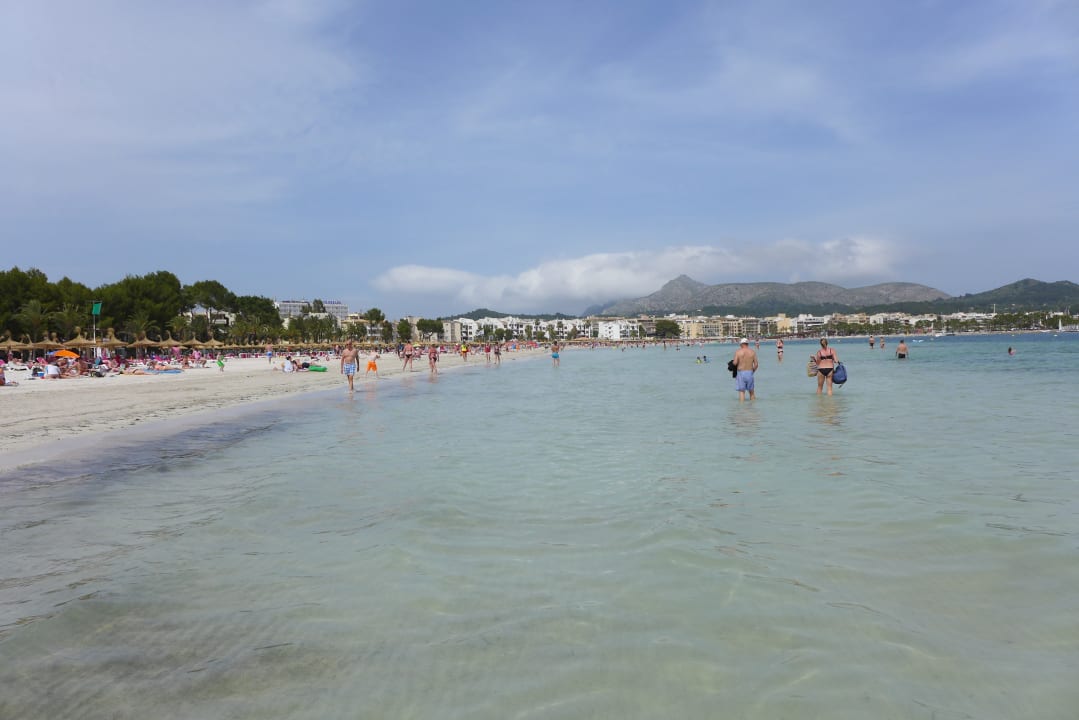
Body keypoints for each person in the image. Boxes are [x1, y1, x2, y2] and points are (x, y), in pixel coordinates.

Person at [732, 338, 758, 402]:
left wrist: (731, 364)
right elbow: (756, 364)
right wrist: (752, 372)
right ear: (747, 344)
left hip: (741, 373)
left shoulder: (738, 352)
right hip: (750, 372)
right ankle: (753, 408)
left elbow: (735, 363)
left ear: (741, 344)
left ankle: (742, 409)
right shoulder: (752, 352)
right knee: (751, 391)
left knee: (741, 391)